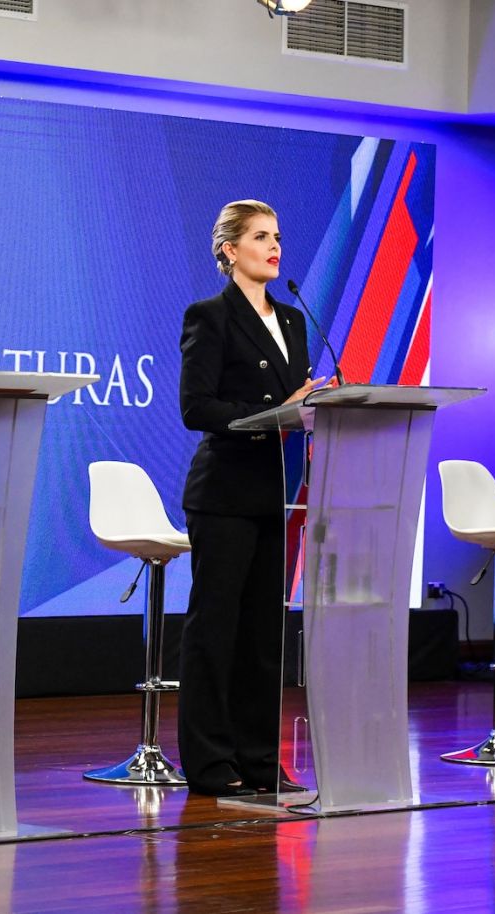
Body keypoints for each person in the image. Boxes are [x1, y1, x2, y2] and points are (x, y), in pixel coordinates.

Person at [176, 200, 314, 797]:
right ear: (230, 250)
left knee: (264, 636)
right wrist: (273, 414)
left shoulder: (294, 320)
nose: (274, 246)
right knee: (216, 632)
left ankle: (260, 761)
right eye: (260, 237)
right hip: (226, 492)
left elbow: (299, 402)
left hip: (279, 495)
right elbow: (196, 407)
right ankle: (210, 763)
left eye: (277, 236)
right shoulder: (210, 316)